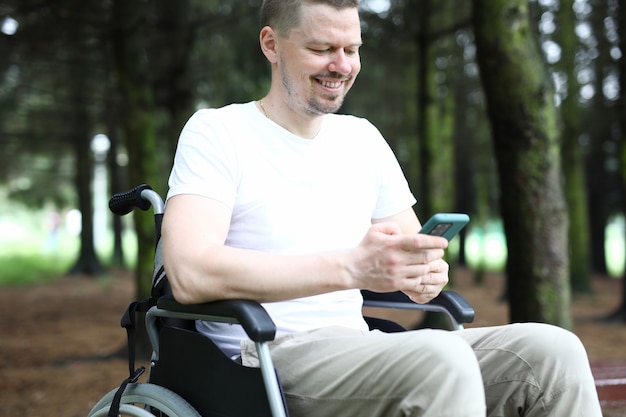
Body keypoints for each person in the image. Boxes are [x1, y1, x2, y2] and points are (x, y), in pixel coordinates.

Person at [161, 0, 603, 415]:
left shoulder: (362, 139)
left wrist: (425, 273)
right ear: (271, 44)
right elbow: (191, 272)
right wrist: (352, 269)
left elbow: (412, 256)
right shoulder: (218, 132)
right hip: (263, 354)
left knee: (554, 351)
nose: (342, 65)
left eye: (352, 49)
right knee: (440, 357)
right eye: (322, 49)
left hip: (359, 347)